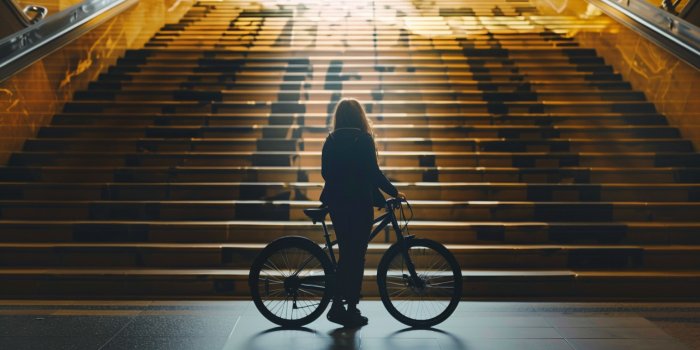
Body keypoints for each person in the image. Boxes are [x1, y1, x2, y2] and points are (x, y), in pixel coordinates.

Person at [320, 98, 406, 328]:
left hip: (337, 204)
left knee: (346, 253)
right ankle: (349, 308)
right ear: (360, 116)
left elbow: (325, 172)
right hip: (359, 203)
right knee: (355, 255)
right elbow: (373, 173)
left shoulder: (331, 139)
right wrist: (394, 191)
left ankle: (338, 304)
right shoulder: (364, 139)